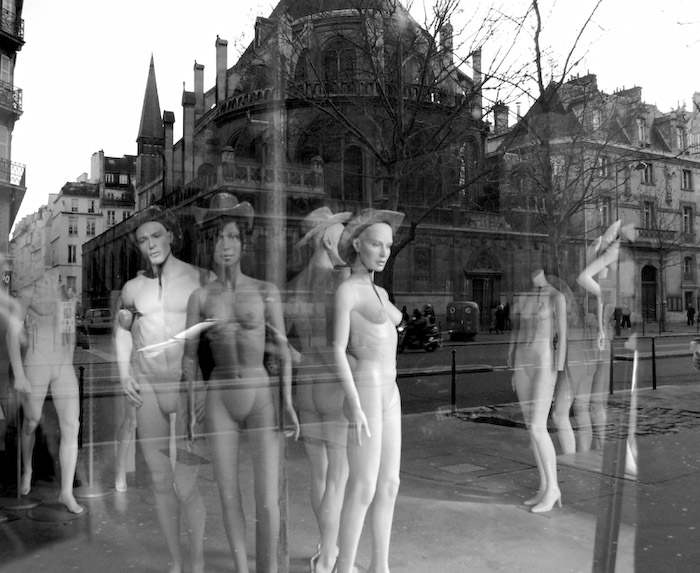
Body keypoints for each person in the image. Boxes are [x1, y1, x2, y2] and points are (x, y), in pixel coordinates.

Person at [181, 192, 299, 573]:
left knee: (267, 496)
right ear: (209, 244)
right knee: (227, 492)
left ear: (244, 243)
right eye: (218, 237)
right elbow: (189, 357)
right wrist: (190, 406)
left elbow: (282, 350)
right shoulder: (200, 298)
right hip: (220, 393)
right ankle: (241, 568)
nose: (225, 245)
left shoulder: (265, 292)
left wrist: (287, 402)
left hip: (259, 390)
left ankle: (269, 569)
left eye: (232, 236)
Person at [114, 206, 211, 573]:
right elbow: (122, 331)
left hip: (187, 387)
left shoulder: (200, 278)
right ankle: (176, 559)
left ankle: (196, 560)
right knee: (159, 480)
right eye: (143, 240)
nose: (151, 244)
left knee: (186, 485)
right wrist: (124, 374)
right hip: (149, 387)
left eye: (156, 235)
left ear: (171, 236)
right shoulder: (133, 289)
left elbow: (222, 330)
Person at [333, 208, 405, 573]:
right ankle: (344, 567)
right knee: (363, 485)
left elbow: (394, 325)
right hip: (367, 386)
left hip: (389, 390)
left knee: (389, 483)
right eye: (376, 244)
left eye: (388, 246)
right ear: (358, 243)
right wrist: (354, 402)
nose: (383, 252)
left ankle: (381, 565)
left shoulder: (380, 292)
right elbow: (336, 349)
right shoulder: (348, 290)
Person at [286, 207, 352, 573]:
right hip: (332, 383)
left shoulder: (296, 283)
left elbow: (279, 339)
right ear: (327, 239)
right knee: (338, 476)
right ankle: (328, 554)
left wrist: (300, 358)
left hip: (306, 384)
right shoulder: (340, 280)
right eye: (341, 234)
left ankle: (325, 545)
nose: (345, 240)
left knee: (319, 475)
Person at [7, 274, 84, 514]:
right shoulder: (28, 292)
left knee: (71, 424)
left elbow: (69, 328)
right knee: (32, 420)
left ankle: (66, 492)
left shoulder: (63, 292)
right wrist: (19, 374)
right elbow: (12, 333)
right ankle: (28, 468)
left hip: (61, 361)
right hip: (36, 359)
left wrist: (68, 360)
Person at [508, 267, 566, 513]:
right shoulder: (526, 296)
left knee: (537, 427)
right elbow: (518, 330)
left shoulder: (556, 297)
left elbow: (563, 336)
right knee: (531, 429)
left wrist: (558, 369)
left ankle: (553, 488)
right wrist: (512, 363)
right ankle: (544, 486)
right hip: (523, 361)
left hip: (544, 360)